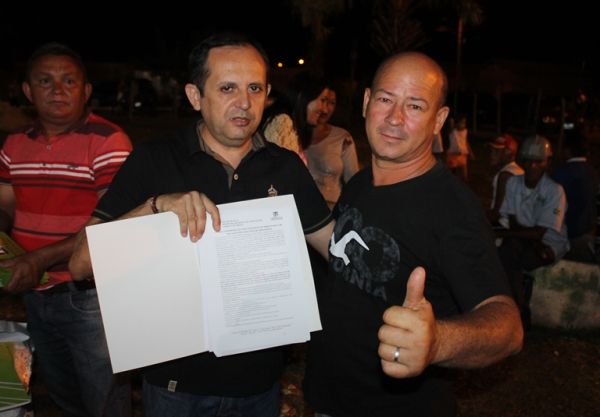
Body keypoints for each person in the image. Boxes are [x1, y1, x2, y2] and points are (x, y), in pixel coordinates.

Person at [68, 32, 334, 417]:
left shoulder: (286, 167)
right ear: (195, 96)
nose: (244, 102)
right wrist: (155, 206)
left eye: (255, 88)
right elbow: (80, 264)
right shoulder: (155, 160)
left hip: (259, 386)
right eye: (227, 88)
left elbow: (333, 247)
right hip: (175, 386)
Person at [302, 51, 523, 417]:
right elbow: (346, 256)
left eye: (415, 106)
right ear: (367, 102)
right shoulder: (361, 183)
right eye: (386, 99)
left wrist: (437, 342)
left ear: (439, 120)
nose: (395, 118)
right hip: (330, 399)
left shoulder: (453, 209)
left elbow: (508, 326)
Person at [0, 43, 133, 417]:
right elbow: (5, 206)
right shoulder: (14, 144)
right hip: (35, 292)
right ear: (28, 91)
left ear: (85, 90)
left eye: (68, 81)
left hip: (90, 297)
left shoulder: (108, 142)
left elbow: (113, 224)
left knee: (105, 402)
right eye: (45, 81)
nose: (57, 90)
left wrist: (38, 257)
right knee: (64, 398)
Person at [497, 135, 569, 326]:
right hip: (525, 238)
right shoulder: (513, 183)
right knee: (508, 253)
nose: (532, 166)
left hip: (550, 242)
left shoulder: (554, 190)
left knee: (508, 256)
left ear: (547, 163)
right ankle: (521, 308)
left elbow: (540, 233)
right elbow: (513, 222)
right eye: (528, 160)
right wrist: (529, 238)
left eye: (538, 161)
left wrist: (501, 234)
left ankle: (518, 308)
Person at [299, 76, 360, 209]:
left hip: (331, 211)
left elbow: (354, 181)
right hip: (301, 210)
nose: (325, 108)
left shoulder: (343, 138)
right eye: (323, 100)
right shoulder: (292, 136)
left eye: (331, 102)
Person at [551, 129, 598, 262]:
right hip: (588, 233)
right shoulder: (592, 172)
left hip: (568, 236)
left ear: (567, 150)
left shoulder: (563, 172)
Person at [487, 133, 524, 227]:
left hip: (504, 226)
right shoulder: (519, 170)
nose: (491, 154)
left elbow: (496, 213)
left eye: (497, 151)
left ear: (509, 153)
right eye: (491, 150)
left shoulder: (505, 175)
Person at [445, 115, 474, 181]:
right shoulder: (452, 131)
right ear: (457, 123)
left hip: (463, 154)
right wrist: (452, 121)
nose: (463, 124)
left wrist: (471, 152)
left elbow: (466, 142)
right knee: (452, 174)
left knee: (464, 176)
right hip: (453, 155)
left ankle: (462, 184)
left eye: (464, 122)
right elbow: (451, 124)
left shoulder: (465, 131)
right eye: (462, 122)